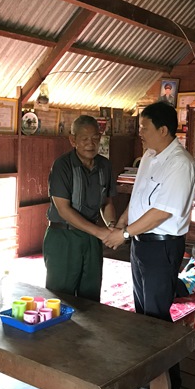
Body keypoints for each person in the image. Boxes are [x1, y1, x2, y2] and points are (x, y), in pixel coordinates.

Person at [104, 101, 195, 389]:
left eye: (144, 127)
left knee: (156, 319)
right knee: (143, 315)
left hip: (162, 246)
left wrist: (124, 233)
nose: (140, 132)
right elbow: (139, 197)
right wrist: (122, 222)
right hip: (141, 244)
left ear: (164, 129)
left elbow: (161, 213)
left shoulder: (180, 163)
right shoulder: (149, 156)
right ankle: (153, 378)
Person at [43, 115, 117, 302]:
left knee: (90, 298)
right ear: (73, 140)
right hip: (64, 237)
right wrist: (100, 232)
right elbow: (64, 210)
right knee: (60, 297)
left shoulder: (104, 165)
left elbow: (106, 202)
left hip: (92, 239)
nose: (91, 144)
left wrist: (111, 227)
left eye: (95, 138)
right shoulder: (62, 166)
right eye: (84, 139)